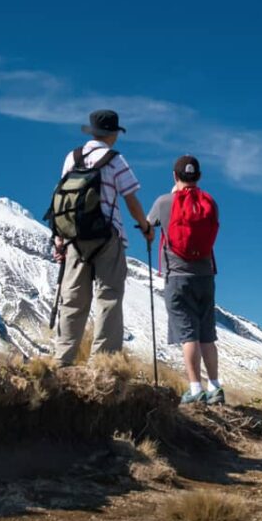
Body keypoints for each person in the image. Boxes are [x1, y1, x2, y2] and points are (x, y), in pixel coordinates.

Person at [51, 109, 153, 366]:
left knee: (73, 299)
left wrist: (59, 237)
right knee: (108, 297)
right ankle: (103, 364)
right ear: (113, 134)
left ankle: (63, 360)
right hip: (107, 236)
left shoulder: (72, 158)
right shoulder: (115, 160)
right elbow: (131, 199)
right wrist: (145, 226)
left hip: (74, 237)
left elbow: (61, 197)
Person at [146, 154, 224, 405]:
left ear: (174, 176)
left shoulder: (164, 202)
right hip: (205, 276)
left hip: (178, 277)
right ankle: (215, 387)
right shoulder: (209, 203)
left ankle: (194, 388)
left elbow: (148, 227)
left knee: (188, 334)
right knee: (207, 335)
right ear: (198, 176)